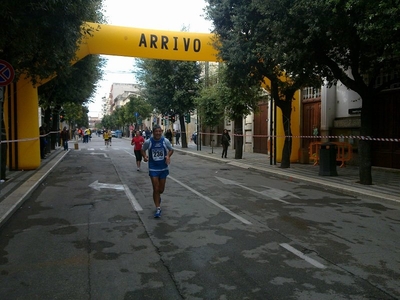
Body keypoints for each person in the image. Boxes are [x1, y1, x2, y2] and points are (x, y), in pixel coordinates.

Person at [141, 125, 174, 218]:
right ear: (153, 132)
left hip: (163, 168)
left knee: (161, 190)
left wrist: (168, 156)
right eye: (156, 131)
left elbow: (171, 150)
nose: (158, 133)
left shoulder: (165, 141)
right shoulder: (148, 142)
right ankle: (158, 208)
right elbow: (142, 150)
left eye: (160, 131)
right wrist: (145, 156)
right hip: (153, 168)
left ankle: (157, 197)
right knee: (156, 188)